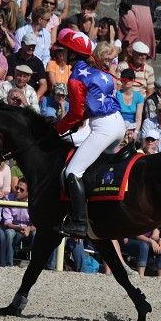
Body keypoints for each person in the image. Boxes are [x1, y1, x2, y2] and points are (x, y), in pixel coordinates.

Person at [52, 31, 125, 237]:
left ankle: (80, 222)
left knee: (72, 172)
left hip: (103, 128)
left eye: (63, 50)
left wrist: (57, 128)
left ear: (72, 54)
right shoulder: (100, 72)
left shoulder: (75, 77)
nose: (60, 53)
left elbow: (76, 114)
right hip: (118, 124)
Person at [1, 178, 35, 268]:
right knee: (8, 233)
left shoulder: (35, 201)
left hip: (30, 230)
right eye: (17, 188)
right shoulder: (8, 199)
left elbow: (38, 224)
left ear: (29, 192)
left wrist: (29, 229)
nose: (18, 191)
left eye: (22, 189)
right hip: (14, 229)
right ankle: (9, 265)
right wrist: (20, 228)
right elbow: (7, 223)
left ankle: (36, 265)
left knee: (37, 234)